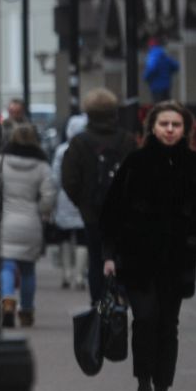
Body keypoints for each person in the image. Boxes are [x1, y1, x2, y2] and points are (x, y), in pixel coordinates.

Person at [97, 101, 196, 391]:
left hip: (177, 260)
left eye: (176, 124)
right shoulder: (135, 163)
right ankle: (143, 387)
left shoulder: (195, 165)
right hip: (138, 258)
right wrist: (109, 256)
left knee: (168, 325)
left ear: (185, 129)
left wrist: (194, 238)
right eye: (164, 124)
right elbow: (111, 213)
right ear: (153, 127)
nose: (170, 130)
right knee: (145, 320)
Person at [61, 88, 137, 303]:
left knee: (96, 258)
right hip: (122, 213)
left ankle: (98, 304)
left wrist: (83, 202)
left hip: (92, 213)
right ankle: (120, 299)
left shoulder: (79, 143)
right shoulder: (127, 141)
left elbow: (69, 179)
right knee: (122, 256)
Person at [0, 124, 59, 328]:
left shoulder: (1, 161)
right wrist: (39, 208)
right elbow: (49, 197)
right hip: (31, 221)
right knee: (28, 270)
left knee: (6, 264)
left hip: (6, 219)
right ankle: (26, 310)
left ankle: (7, 299)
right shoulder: (42, 166)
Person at [49, 114, 90, 290]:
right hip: (84, 198)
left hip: (64, 198)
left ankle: (66, 273)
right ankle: (80, 276)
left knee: (64, 236)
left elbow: (55, 177)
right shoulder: (90, 149)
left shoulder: (61, 150)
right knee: (82, 238)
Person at [142, 37, 179, 102]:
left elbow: (151, 68)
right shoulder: (164, 55)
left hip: (156, 87)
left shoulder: (153, 55)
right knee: (166, 106)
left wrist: (146, 77)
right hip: (167, 86)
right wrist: (168, 73)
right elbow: (176, 66)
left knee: (158, 107)